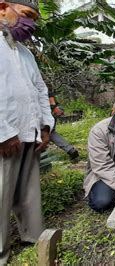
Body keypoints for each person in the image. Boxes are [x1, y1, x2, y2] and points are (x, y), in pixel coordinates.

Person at [0, 0, 55, 262]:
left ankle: (34, 236)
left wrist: (45, 126)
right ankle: (1, 252)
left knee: (28, 192)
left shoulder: (25, 53)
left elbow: (40, 90)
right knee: (1, 192)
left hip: (29, 132)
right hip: (5, 136)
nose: (30, 24)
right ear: (2, 8)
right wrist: (3, 132)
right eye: (25, 15)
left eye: (33, 18)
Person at [48, 92, 79, 160]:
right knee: (51, 133)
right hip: (52, 110)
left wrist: (54, 108)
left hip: (47, 112)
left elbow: (51, 101)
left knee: (48, 133)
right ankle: (70, 150)